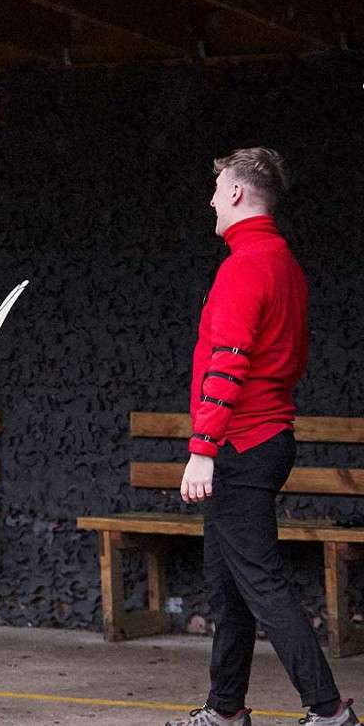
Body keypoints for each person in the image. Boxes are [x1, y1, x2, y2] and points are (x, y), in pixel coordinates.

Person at [168, 149, 357, 726]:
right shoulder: (282, 262)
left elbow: (228, 361)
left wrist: (203, 450)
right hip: (263, 438)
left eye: (217, 188)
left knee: (260, 585)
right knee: (229, 590)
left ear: (236, 195)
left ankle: (329, 712)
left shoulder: (245, 265)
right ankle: (226, 710)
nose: (209, 200)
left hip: (241, 446)